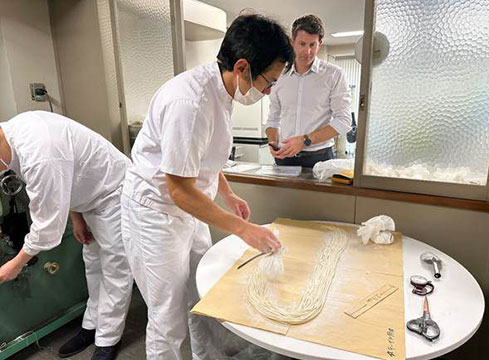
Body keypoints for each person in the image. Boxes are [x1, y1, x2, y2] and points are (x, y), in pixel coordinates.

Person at [120, 13, 294, 360]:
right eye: (268, 81)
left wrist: (226, 194)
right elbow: (179, 189)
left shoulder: (220, 90)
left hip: (188, 207)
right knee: (167, 317)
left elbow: (201, 159)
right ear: (243, 66)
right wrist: (245, 230)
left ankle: (209, 357)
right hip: (156, 213)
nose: (268, 91)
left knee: (203, 293)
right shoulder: (191, 102)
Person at [0, 111, 133, 360]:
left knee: (115, 269)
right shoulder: (16, 132)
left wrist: (15, 265)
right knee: (93, 266)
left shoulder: (38, 153)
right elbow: (66, 177)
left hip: (114, 195)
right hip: (87, 198)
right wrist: (76, 216)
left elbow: (46, 227)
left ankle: (108, 339)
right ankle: (91, 327)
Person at [266, 14, 352, 167]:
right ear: (293, 42)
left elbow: (344, 121)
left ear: (320, 43)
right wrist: (273, 141)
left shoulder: (334, 74)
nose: (307, 51)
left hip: (319, 157)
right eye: (302, 44)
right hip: (284, 156)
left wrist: (305, 140)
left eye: (312, 45)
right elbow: (273, 118)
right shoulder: (280, 74)